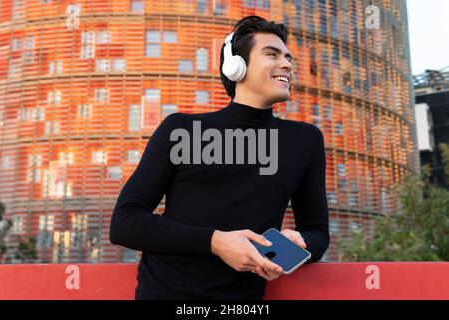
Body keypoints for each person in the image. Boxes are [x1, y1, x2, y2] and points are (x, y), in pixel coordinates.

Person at [109, 15, 329, 300]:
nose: (287, 64)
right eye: (271, 54)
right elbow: (125, 222)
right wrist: (216, 242)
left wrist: (300, 243)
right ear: (236, 66)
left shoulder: (305, 141)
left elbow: (317, 233)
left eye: (288, 57)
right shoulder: (181, 129)